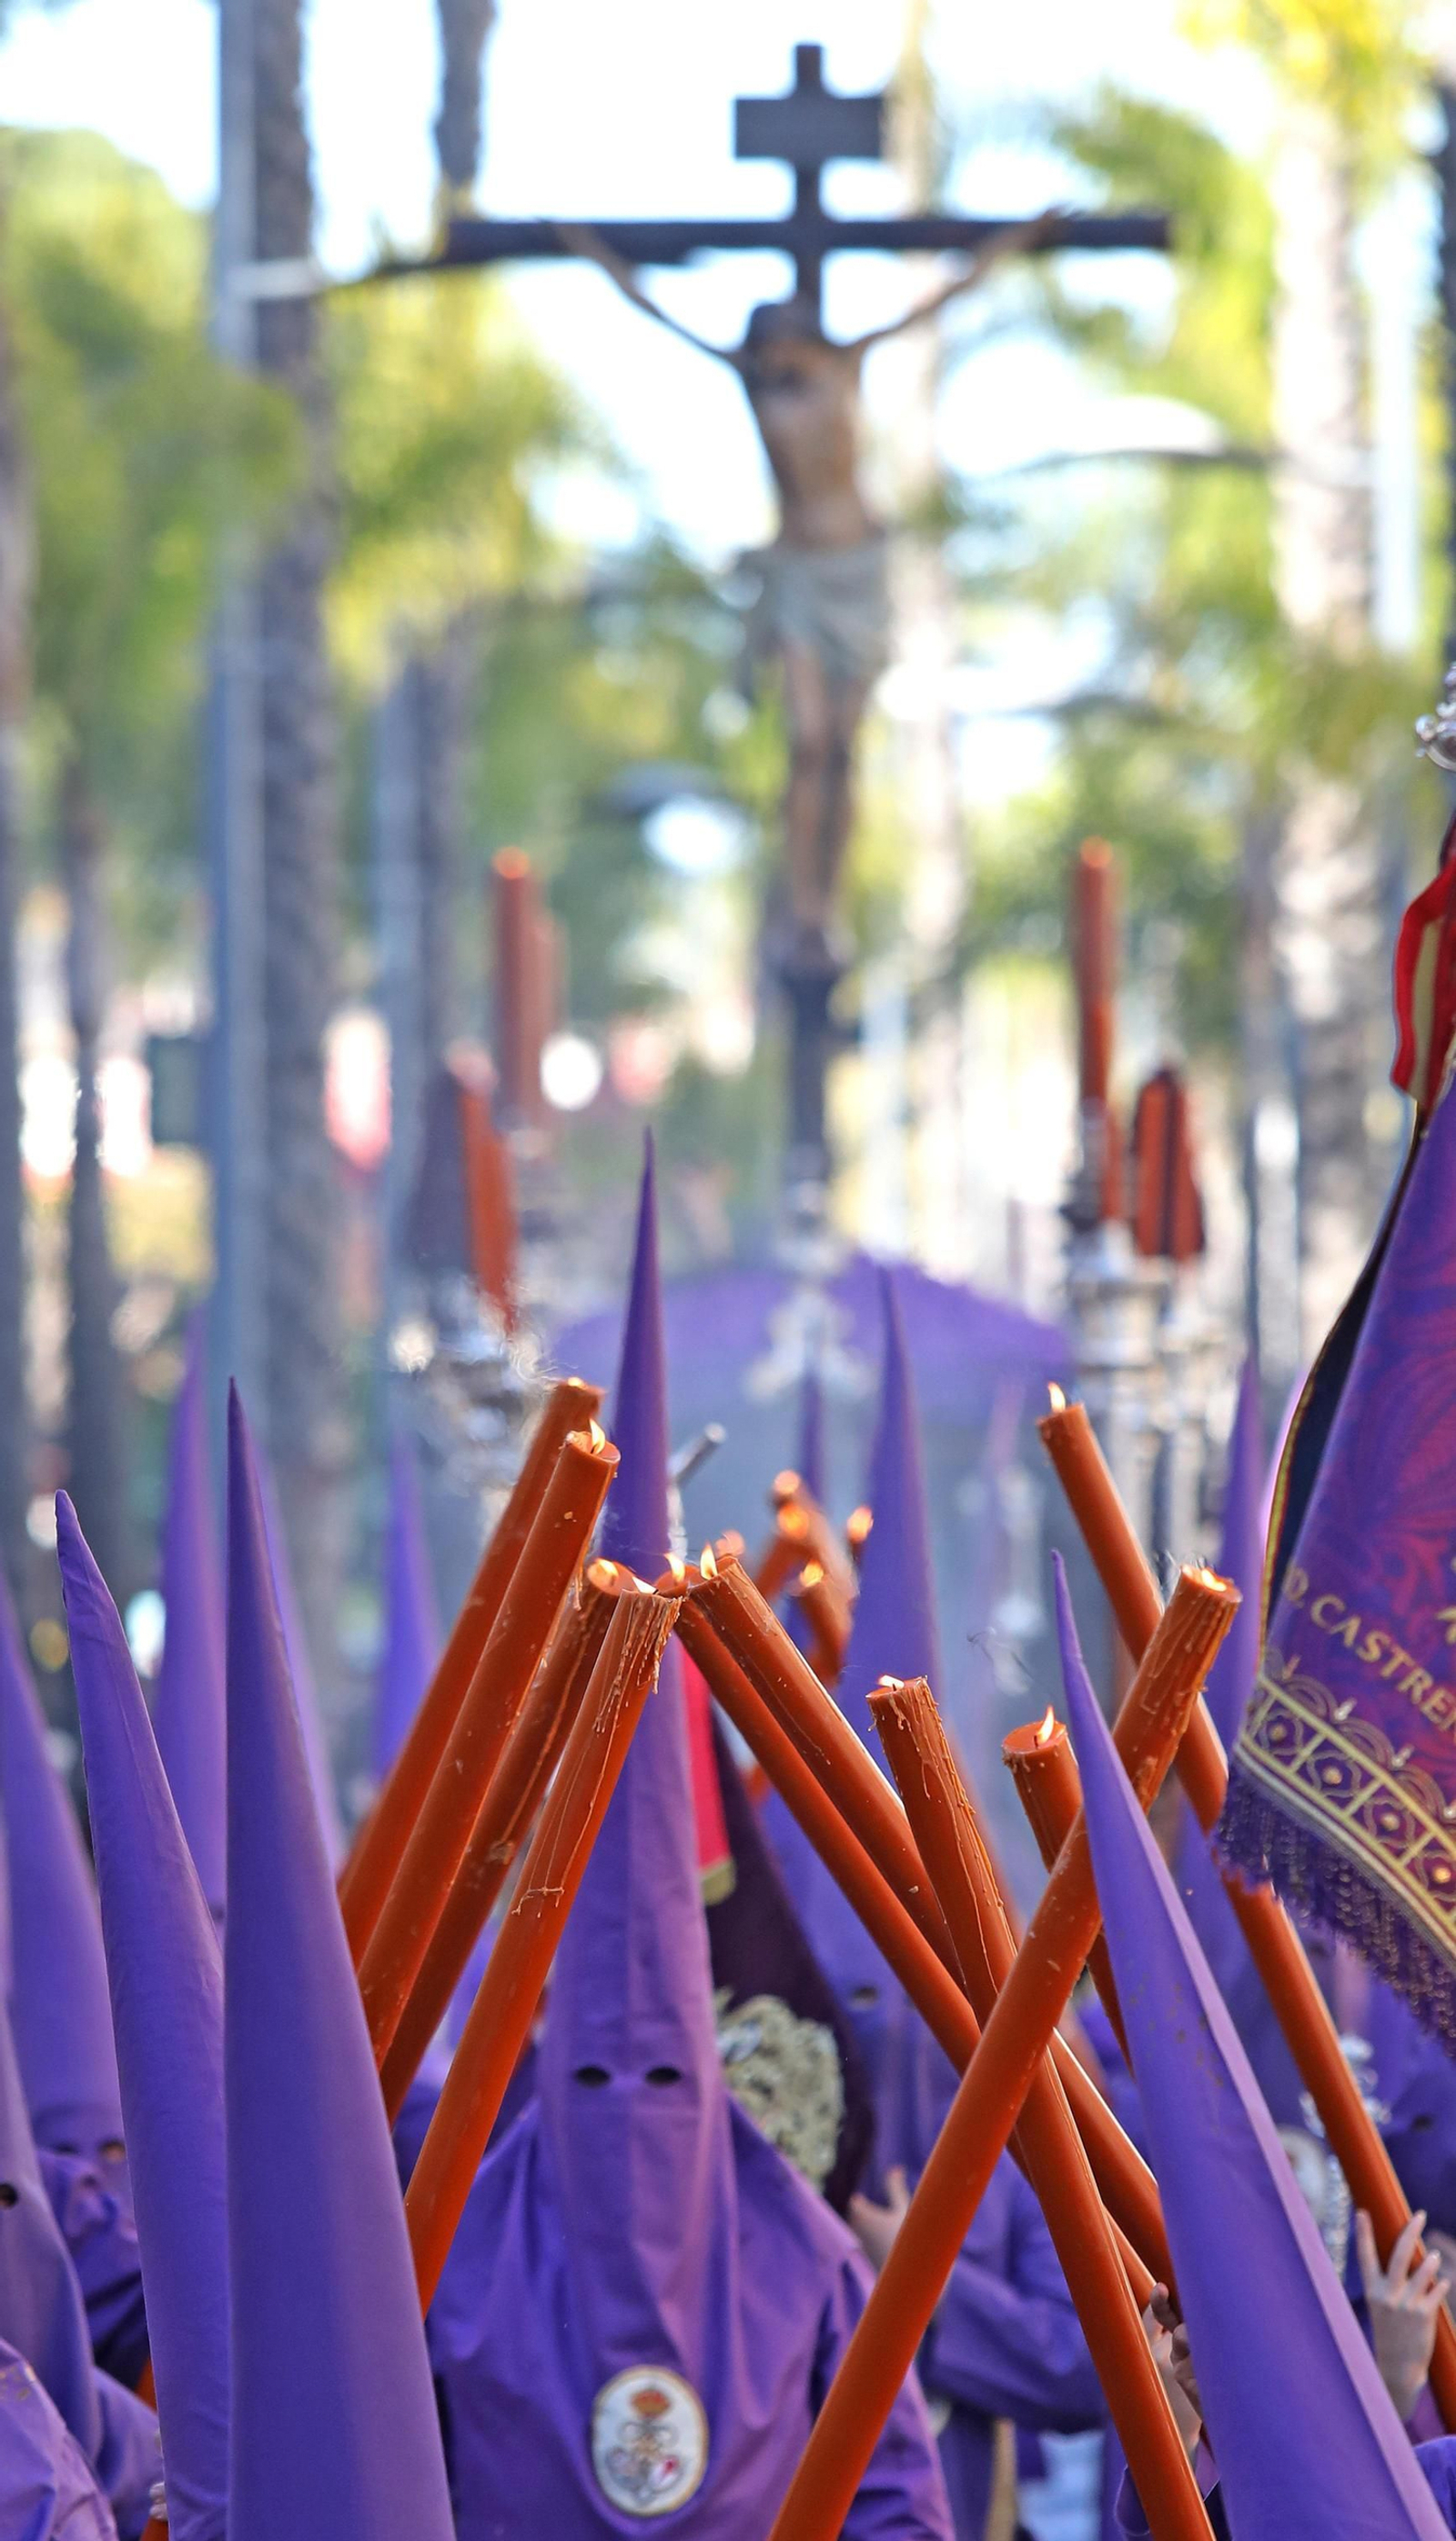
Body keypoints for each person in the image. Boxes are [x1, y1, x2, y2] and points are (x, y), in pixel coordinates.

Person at [429, 1149, 953, 2536]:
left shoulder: (809, 2256)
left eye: (663, 2071)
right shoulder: (449, 2251)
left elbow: (899, 2497)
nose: (632, 2103)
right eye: (598, 2072)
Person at [561, 215, 1054, 980]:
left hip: (856, 571)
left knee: (845, 749)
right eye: (764, 355)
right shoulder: (748, 375)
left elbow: (946, 297)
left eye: (782, 351)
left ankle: (829, 904)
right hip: (793, 575)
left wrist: (1018, 240)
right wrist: (584, 247)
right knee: (809, 740)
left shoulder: (844, 366)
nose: (772, 367)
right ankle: (803, 906)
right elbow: (652, 306)